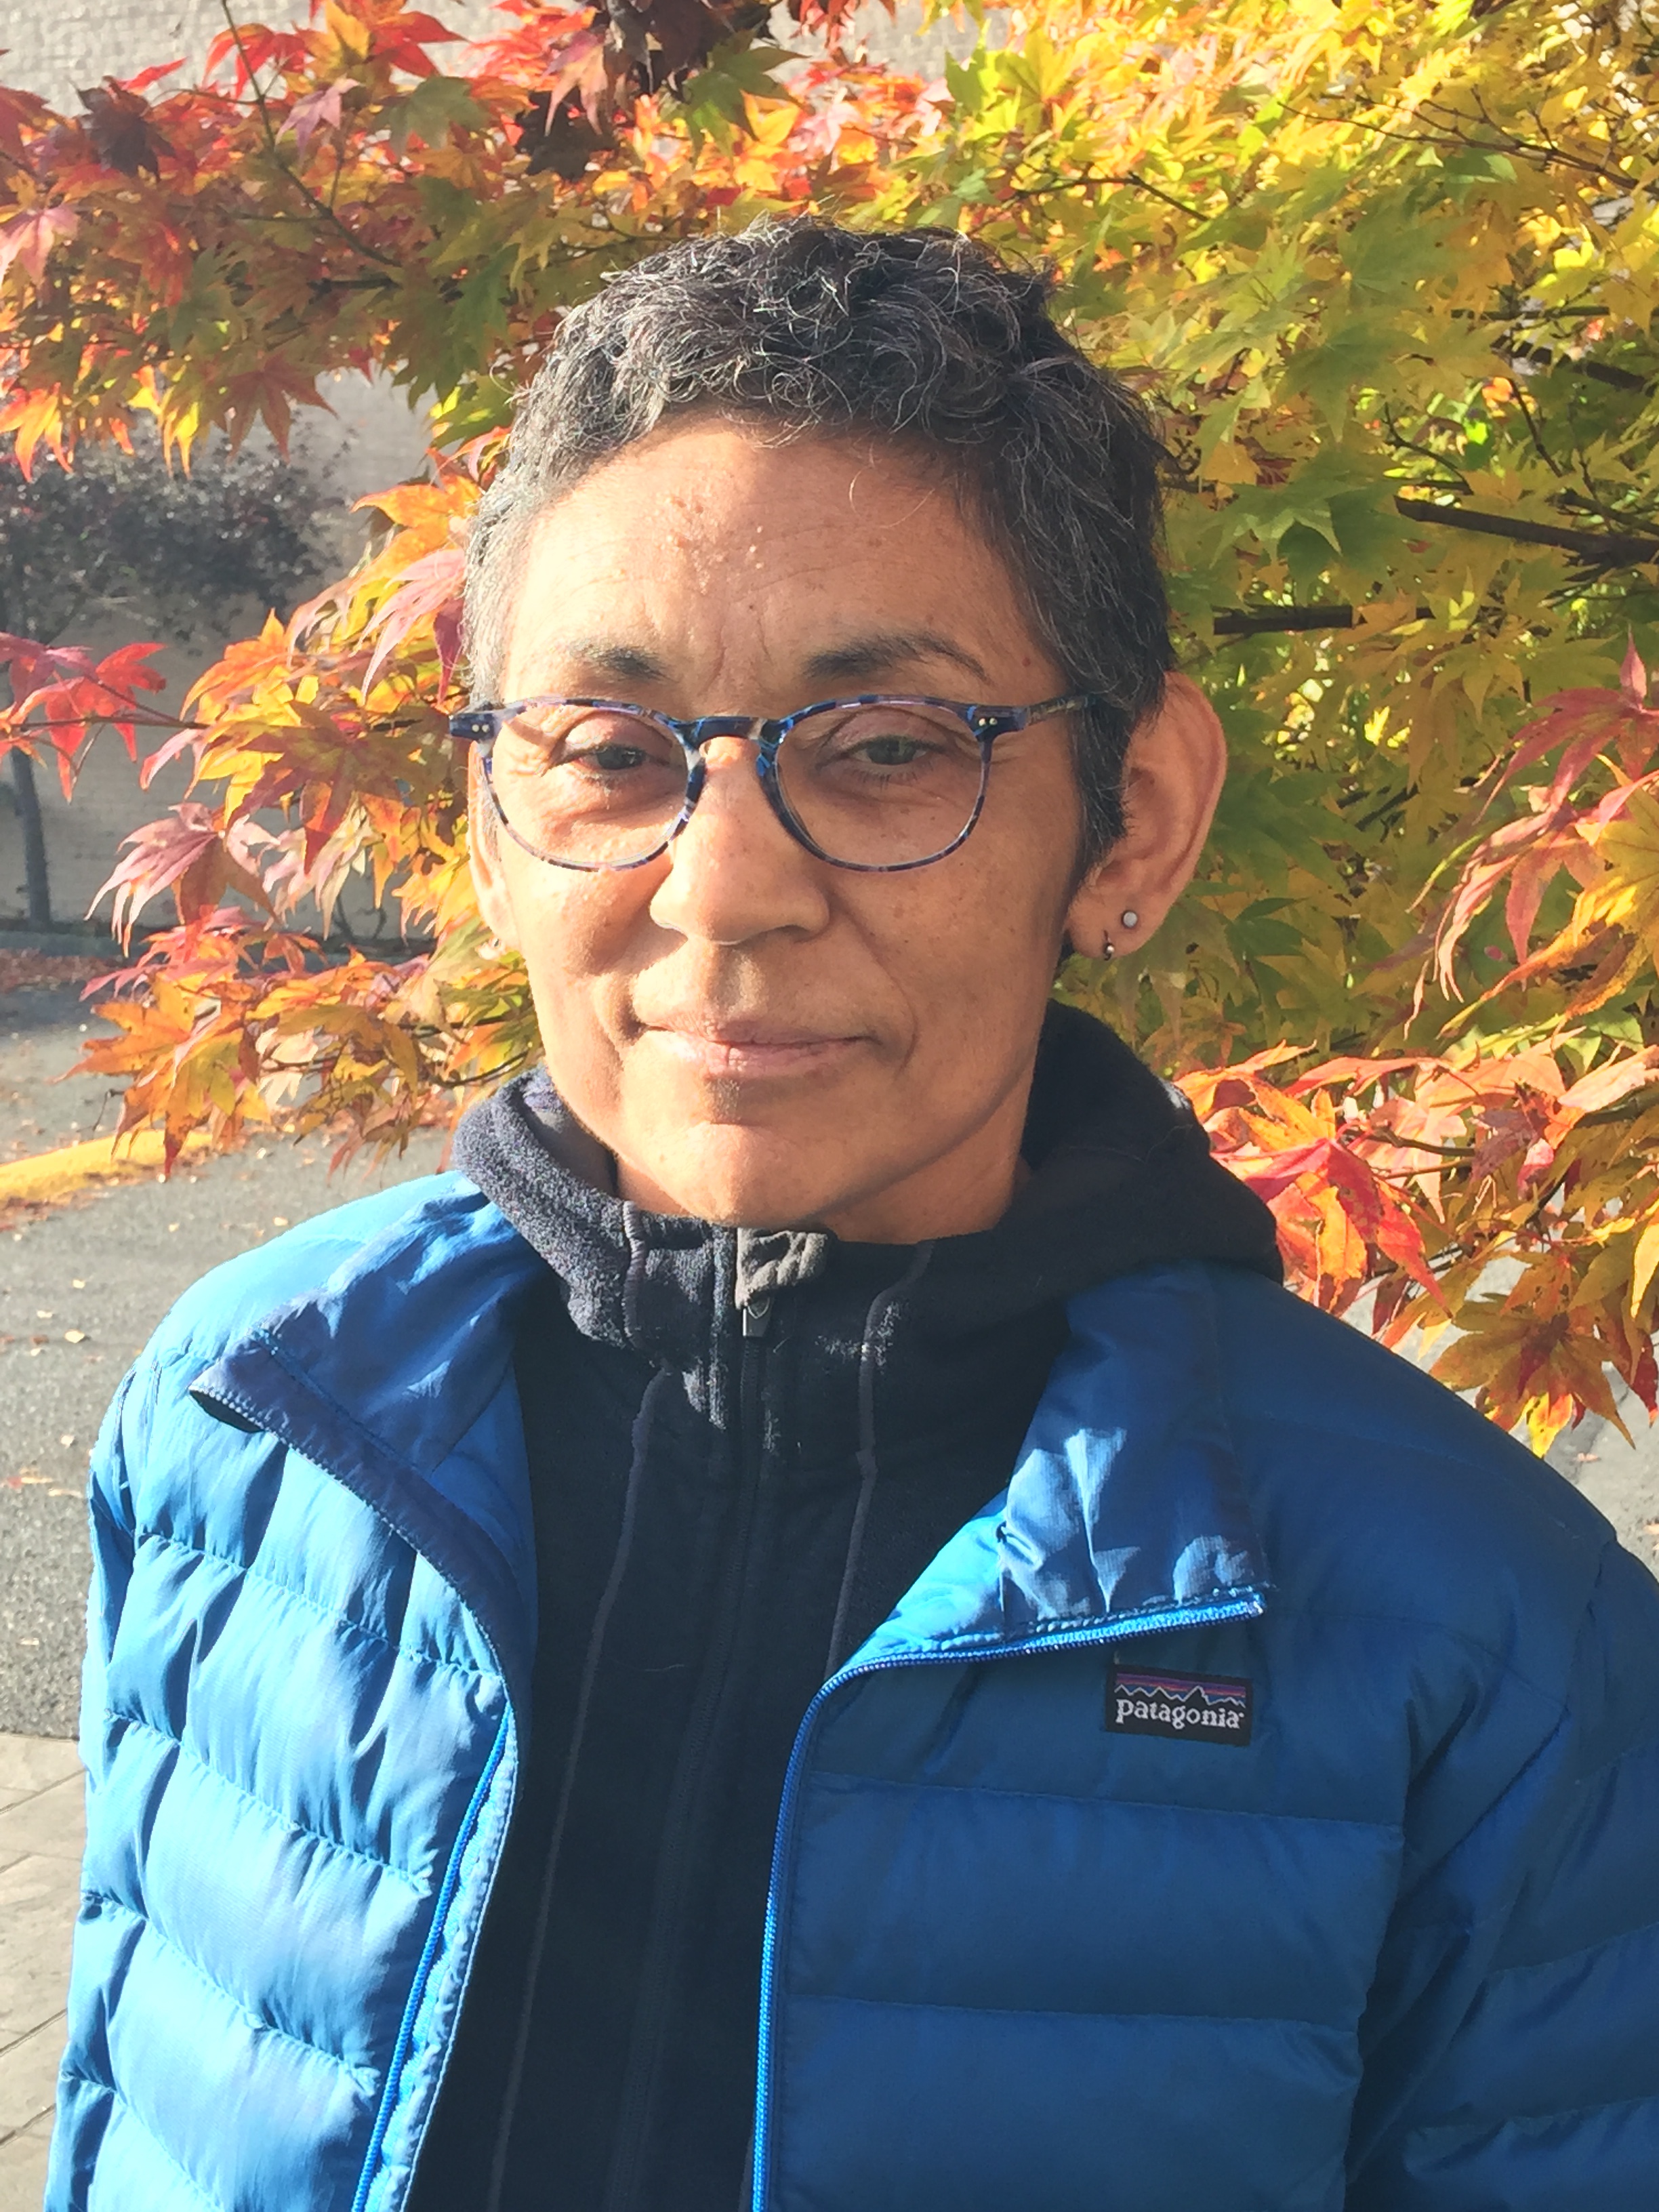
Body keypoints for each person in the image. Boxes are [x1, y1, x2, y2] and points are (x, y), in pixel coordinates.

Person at [47, 222, 1659, 2212]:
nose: (722, 886)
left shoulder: (1473, 1632)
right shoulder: (253, 1425)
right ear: (486, 823)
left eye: (892, 752)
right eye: (613, 754)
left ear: (1131, 823)